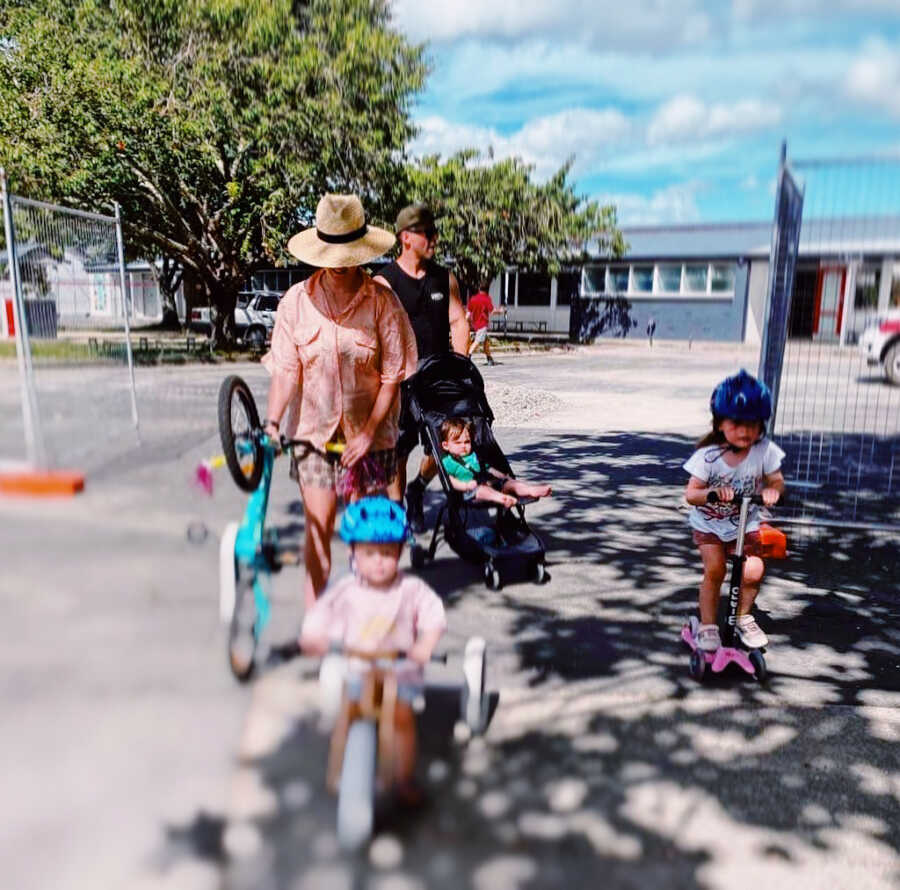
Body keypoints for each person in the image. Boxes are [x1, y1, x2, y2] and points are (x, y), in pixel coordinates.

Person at [261, 194, 418, 612]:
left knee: (368, 537)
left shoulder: (383, 302)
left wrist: (367, 435)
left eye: (349, 254)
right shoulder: (295, 303)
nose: (341, 263)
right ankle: (317, 623)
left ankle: (369, 625)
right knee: (318, 531)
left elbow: (393, 377)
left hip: (370, 440)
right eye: (333, 253)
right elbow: (285, 370)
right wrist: (273, 423)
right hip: (314, 436)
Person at [300, 497, 446, 801]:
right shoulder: (346, 589)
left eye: (387, 553)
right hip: (358, 666)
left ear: (400, 552)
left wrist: (424, 645)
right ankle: (341, 768)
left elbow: (433, 616)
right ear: (353, 552)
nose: (379, 561)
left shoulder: (410, 589)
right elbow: (321, 613)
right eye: (369, 553)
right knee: (347, 713)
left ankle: (404, 777)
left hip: (400, 669)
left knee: (402, 719)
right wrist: (314, 637)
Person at [374, 204, 469, 532]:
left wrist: (461, 366)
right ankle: (397, 509)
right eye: (427, 233)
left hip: (440, 378)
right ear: (406, 237)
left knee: (446, 446)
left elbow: (458, 321)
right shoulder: (384, 283)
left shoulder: (445, 277)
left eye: (434, 232)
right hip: (401, 382)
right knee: (397, 450)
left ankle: (417, 488)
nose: (434, 239)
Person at [683, 369, 785, 653]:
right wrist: (712, 494)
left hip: (745, 524)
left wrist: (772, 490)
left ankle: (743, 617)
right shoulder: (708, 456)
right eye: (737, 423)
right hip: (711, 526)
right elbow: (691, 494)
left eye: (753, 424)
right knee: (715, 570)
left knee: (753, 571)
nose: (745, 431)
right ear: (719, 424)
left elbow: (776, 480)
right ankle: (707, 625)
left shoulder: (765, 451)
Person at [440, 417, 552, 507]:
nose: (463, 446)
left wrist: (504, 476)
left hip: (491, 483)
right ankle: (502, 499)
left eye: (467, 442)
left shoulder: (474, 455)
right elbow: (450, 480)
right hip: (470, 493)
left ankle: (531, 489)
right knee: (483, 490)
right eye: (458, 443)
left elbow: (489, 468)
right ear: (446, 445)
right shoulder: (448, 461)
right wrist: (465, 486)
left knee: (511, 483)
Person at [466, 282, 506, 366]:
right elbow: (492, 311)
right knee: (477, 341)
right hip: (482, 324)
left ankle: (489, 358)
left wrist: (469, 323)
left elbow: (468, 315)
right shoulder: (486, 298)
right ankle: (467, 357)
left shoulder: (473, 298)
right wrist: (501, 311)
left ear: (479, 289)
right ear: (487, 290)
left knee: (485, 342)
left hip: (475, 324)